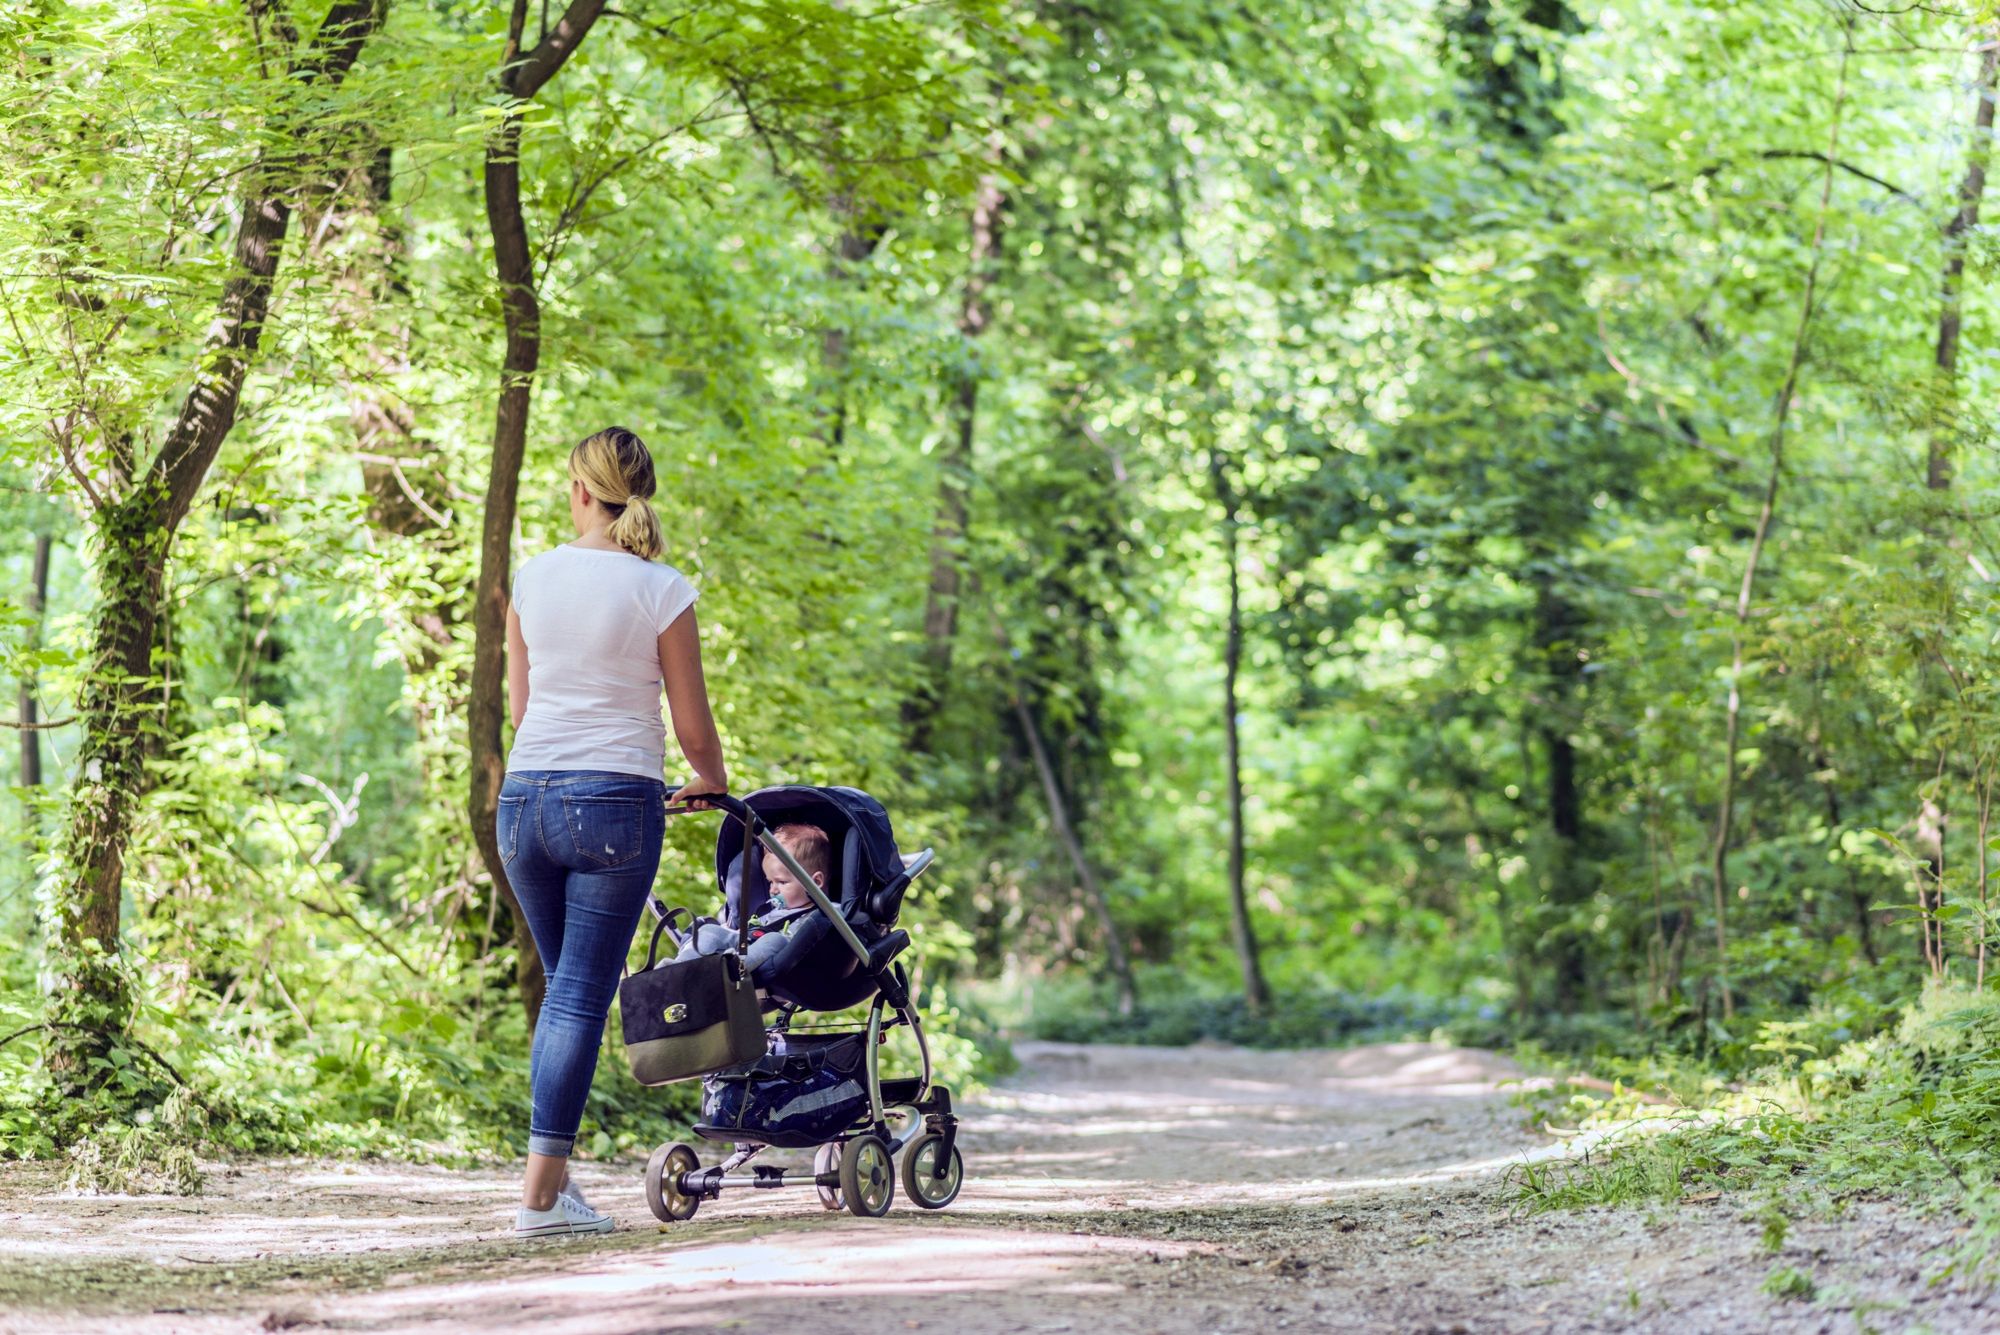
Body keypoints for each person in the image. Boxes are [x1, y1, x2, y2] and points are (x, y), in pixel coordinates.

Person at [498, 425, 727, 1239]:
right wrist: (713, 780)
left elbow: (523, 710)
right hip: (613, 805)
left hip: (524, 803)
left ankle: (555, 1189)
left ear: (581, 493)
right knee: (576, 998)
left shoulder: (533, 576)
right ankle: (537, 1203)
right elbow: (692, 725)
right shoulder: (663, 588)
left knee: (569, 996)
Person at [675, 823, 832, 974]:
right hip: (743, 943)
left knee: (775, 940)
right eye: (770, 881)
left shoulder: (823, 915)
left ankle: (727, 970)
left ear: (815, 882)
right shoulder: (771, 908)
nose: (773, 889)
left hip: (783, 958)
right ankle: (677, 968)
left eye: (782, 882)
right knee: (710, 931)